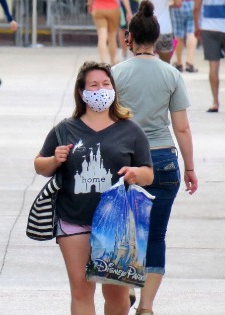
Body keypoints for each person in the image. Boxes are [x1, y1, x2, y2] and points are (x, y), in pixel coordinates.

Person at [34, 61, 153, 314]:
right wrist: (55, 159)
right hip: (73, 220)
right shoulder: (65, 129)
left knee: (116, 294)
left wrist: (135, 174)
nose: (101, 90)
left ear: (114, 89)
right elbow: (40, 165)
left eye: (106, 84)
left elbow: (148, 174)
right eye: (94, 85)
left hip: (117, 223)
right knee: (81, 289)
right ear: (82, 92)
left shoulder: (130, 130)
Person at [113, 2, 198, 313]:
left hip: (125, 160)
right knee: (157, 235)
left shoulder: (116, 74)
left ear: (129, 37)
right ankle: (146, 305)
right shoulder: (171, 74)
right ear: (158, 37)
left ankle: (126, 290)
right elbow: (183, 128)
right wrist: (189, 168)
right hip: (163, 159)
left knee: (125, 231)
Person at [194, 0, 225, 112]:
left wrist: (197, 26)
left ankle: (215, 102)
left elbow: (196, 7)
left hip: (208, 28)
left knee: (213, 66)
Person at [88, 0, 132, 65]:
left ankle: (102, 62)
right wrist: (129, 11)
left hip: (98, 8)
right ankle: (112, 62)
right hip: (113, 9)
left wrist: (90, 5)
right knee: (112, 37)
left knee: (102, 38)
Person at [171, 0, 198, 72]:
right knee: (191, 32)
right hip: (192, 4)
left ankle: (179, 63)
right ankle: (189, 63)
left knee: (178, 34)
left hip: (178, 5)